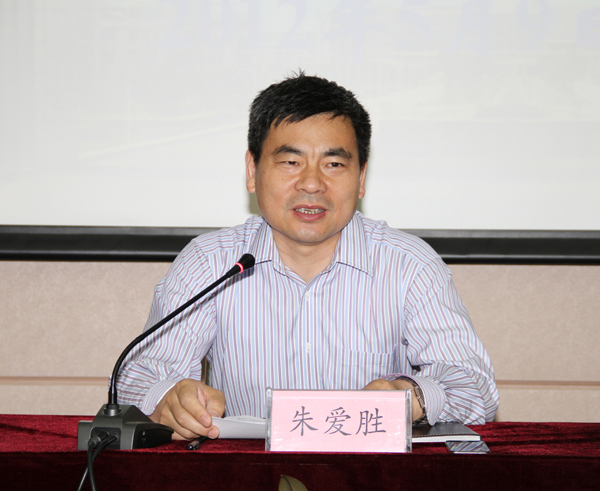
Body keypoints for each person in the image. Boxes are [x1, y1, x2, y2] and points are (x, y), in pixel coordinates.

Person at [117, 73, 499, 441]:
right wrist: (172, 399)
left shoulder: (409, 265)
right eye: (290, 162)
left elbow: (475, 387)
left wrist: (410, 397)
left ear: (361, 177)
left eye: (334, 164)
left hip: (370, 472)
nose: (312, 184)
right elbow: (137, 377)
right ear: (252, 170)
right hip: (249, 470)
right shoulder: (210, 263)